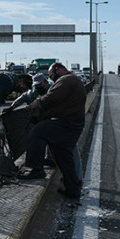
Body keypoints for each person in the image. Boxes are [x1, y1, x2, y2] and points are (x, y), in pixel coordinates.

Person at [20, 63, 86, 199]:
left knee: (37, 133)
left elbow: (52, 98)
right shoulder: (72, 80)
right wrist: (41, 117)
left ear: (58, 69)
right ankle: (73, 190)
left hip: (67, 124)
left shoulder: (66, 80)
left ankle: (37, 169)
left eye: (51, 75)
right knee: (63, 157)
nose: (52, 79)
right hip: (73, 124)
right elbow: (59, 105)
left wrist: (36, 103)